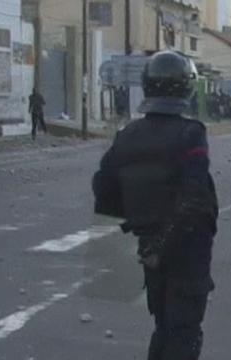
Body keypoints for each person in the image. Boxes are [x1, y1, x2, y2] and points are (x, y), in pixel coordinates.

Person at [92, 51, 219, 360]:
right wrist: (164, 241)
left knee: (164, 327)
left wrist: (141, 224)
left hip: (149, 247)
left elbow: (103, 190)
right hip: (186, 249)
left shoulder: (127, 135)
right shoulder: (191, 134)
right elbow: (193, 197)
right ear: (186, 88)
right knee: (184, 331)